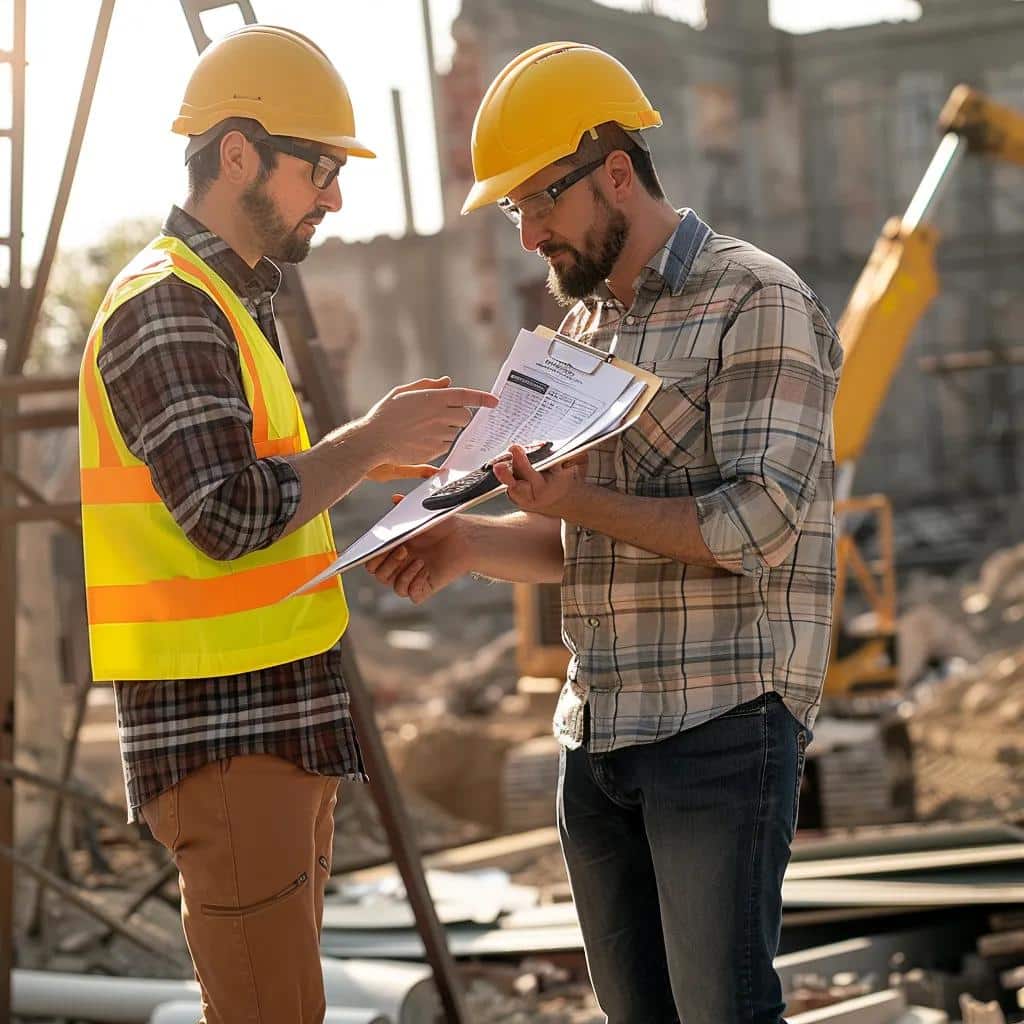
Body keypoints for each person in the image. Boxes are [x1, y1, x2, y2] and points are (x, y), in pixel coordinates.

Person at [367, 42, 843, 1024]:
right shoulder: (586, 330)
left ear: (616, 172)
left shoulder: (756, 299)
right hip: (597, 737)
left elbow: (757, 525)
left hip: (719, 725)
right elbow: (587, 540)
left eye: (541, 202)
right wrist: (469, 544)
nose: (529, 233)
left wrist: (571, 502)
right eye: (513, 210)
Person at [77, 25, 495, 1024]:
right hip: (225, 736)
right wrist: (365, 440)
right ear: (238, 154)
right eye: (320, 170)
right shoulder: (168, 306)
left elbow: (257, 493)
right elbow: (227, 512)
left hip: (271, 723)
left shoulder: (225, 300)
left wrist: (369, 462)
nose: (335, 198)